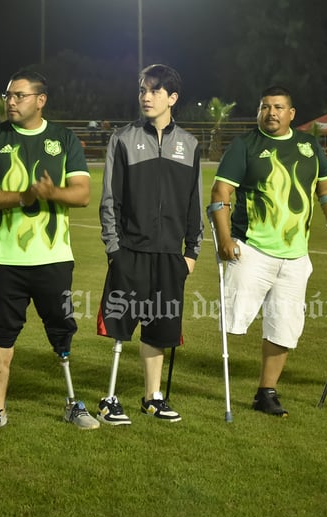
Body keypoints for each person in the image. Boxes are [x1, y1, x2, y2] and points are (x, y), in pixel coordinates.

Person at [0, 69, 99, 433]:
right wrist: (23, 197)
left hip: (54, 258)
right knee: (1, 333)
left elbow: (83, 194)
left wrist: (52, 193)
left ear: (40, 100)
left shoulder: (64, 138)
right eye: (8, 95)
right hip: (4, 258)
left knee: (61, 329)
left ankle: (72, 403)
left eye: (19, 95)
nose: (10, 101)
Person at [208, 85, 327, 417]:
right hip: (251, 249)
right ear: (259, 110)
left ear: (291, 113)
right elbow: (221, 191)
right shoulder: (245, 145)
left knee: (284, 325)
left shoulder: (309, 145)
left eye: (279, 107)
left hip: (296, 255)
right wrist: (225, 239)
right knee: (233, 321)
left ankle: (266, 392)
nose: (272, 112)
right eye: (266, 107)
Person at [96, 63, 203, 425]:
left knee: (159, 327)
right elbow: (110, 199)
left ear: (172, 98)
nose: (146, 96)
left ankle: (152, 397)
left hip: (170, 256)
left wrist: (191, 254)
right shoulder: (123, 139)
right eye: (143, 89)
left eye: (155, 90)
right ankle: (109, 398)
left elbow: (194, 203)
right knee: (121, 324)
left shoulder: (189, 145)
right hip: (130, 251)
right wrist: (114, 249)